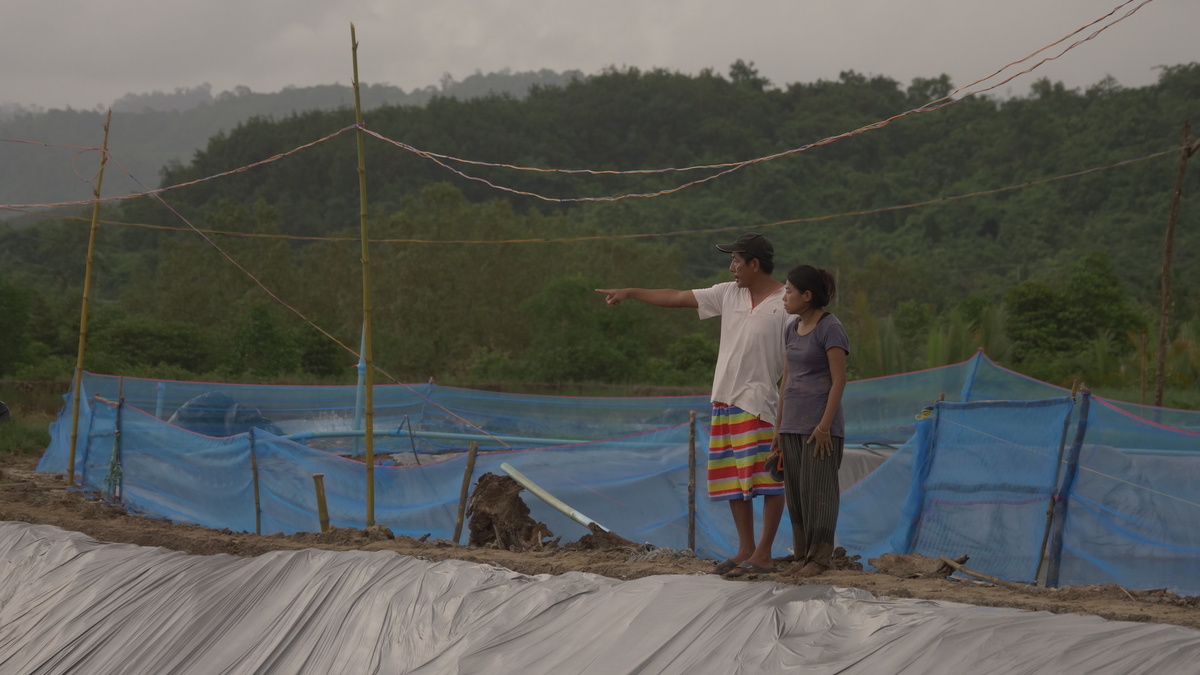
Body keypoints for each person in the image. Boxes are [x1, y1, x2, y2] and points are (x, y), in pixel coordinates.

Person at [596, 233, 789, 576]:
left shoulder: (785, 303)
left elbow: (793, 364)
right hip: (724, 399)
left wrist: (787, 414)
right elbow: (677, 296)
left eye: (736, 261)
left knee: (768, 479)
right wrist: (630, 292)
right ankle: (746, 548)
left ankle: (764, 552)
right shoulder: (729, 294)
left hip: (758, 403)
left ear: (754, 264)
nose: (732, 268)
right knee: (733, 480)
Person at [770, 264, 849, 578]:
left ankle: (820, 558)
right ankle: (801, 556)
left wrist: (824, 426)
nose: (784, 296)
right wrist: (778, 429)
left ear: (808, 295)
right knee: (797, 495)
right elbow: (786, 380)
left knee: (820, 493)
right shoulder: (791, 328)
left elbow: (839, 380)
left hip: (820, 428)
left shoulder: (831, 328)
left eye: (789, 290)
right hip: (792, 424)